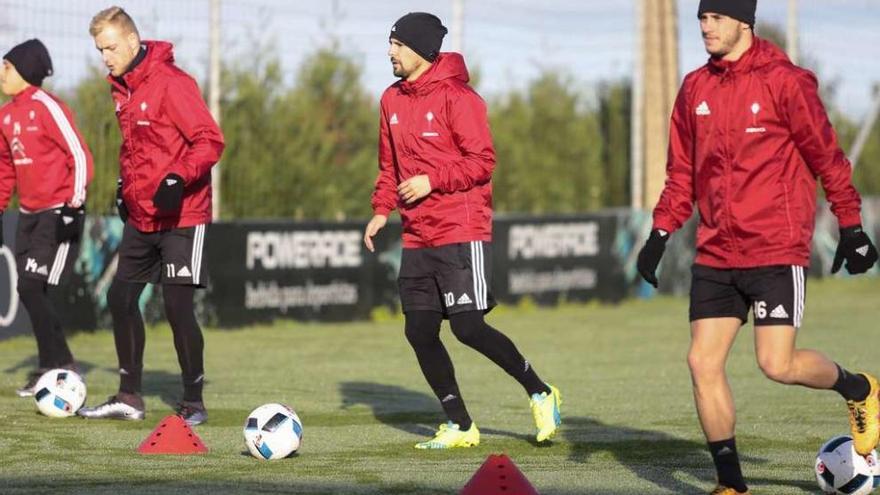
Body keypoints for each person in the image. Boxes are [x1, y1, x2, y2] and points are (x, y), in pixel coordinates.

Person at [636, 1, 880, 493]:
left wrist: (851, 226)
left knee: (777, 365)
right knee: (701, 362)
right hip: (715, 252)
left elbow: (827, 158)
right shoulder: (694, 88)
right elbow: (681, 174)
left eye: (717, 18)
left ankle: (861, 389)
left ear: (743, 21)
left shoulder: (786, 81)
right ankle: (732, 485)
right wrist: (659, 234)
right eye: (702, 17)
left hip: (774, 248)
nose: (706, 26)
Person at [363, 12, 561, 449]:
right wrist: (382, 209)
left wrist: (433, 180)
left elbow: (482, 162)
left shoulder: (460, 98)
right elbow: (388, 166)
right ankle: (460, 424)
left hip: (460, 228)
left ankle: (541, 391)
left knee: (468, 327)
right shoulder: (390, 100)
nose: (390, 51)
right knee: (418, 331)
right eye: (390, 43)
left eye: (397, 44)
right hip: (417, 235)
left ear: (421, 49)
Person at [77, 6, 224, 426]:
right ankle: (129, 396)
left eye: (108, 47)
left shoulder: (172, 83)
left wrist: (179, 176)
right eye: (99, 49)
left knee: (178, 307)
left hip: (183, 215)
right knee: (119, 298)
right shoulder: (122, 88)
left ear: (130, 41)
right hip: (142, 218)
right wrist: (125, 187)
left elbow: (209, 140)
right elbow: (135, 148)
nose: (104, 56)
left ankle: (193, 401)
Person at [0, 39, 93, 397]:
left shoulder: (47, 106)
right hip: (28, 215)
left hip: (58, 211)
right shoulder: (6, 115)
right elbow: (6, 167)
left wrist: (74, 203)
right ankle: (59, 363)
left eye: (6, 66)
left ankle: (54, 367)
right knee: (31, 290)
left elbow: (79, 154)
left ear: (23, 70)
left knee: (35, 288)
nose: (2, 73)